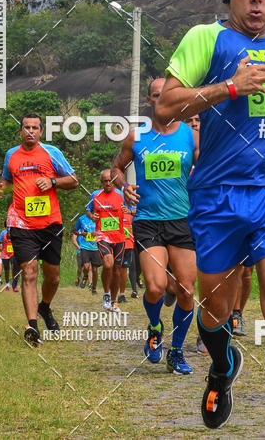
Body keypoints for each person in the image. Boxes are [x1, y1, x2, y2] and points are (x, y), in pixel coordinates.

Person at [155, 0, 265, 438]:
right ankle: (222, 366)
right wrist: (230, 87)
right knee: (214, 310)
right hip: (218, 196)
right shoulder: (204, 39)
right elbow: (167, 105)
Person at [112, 77, 199, 376]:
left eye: (169, 95)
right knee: (155, 286)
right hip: (148, 220)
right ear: (150, 100)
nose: (163, 100)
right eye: (157, 96)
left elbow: (209, 168)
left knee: (187, 289)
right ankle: (154, 327)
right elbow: (116, 169)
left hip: (182, 221)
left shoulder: (190, 135)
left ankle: (176, 350)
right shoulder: (137, 137)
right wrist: (124, 185)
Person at [0, 113, 79, 346]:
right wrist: (1, 188)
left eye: (35, 127)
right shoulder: (11, 155)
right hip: (21, 222)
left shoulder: (52, 153)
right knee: (29, 272)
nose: (30, 131)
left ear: (41, 131)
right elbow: (8, 182)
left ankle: (44, 307)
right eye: (26, 127)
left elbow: (73, 181)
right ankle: (32, 325)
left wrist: (52, 181)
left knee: (53, 277)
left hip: (50, 224)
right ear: (20, 131)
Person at [86, 170, 127, 312]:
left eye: (110, 180)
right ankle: (106, 294)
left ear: (114, 180)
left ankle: (114, 301)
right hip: (102, 235)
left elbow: (132, 209)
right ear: (101, 182)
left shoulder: (122, 194)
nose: (108, 183)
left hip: (119, 237)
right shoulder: (95, 195)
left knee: (116, 269)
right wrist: (92, 217)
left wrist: (126, 209)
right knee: (108, 264)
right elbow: (88, 210)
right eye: (105, 181)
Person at [73, 211, 102, 295]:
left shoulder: (99, 217)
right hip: (84, 247)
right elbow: (75, 231)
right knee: (86, 266)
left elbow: (104, 231)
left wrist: (96, 234)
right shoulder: (81, 218)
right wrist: (80, 233)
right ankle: (85, 276)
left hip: (95, 247)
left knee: (95, 269)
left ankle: (94, 288)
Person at [118, 204, 136, 303]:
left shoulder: (130, 216)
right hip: (115, 244)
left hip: (128, 245)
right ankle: (110, 293)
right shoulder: (113, 215)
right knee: (115, 269)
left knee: (124, 270)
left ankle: (122, 294)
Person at [0, 221, 19, 292]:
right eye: (7, 224)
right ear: (5, 225)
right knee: (7, 270)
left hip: (13, 253)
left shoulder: (14, 231)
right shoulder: (3, 232)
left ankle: (14, 285)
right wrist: (2, 242)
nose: (8, 225)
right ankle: (7, 285)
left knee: (14, 268)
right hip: (5, 253)